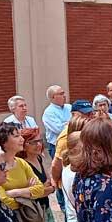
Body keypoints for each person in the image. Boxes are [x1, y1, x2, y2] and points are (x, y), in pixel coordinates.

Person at [42, 85, 71, 214]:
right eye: (61, 93)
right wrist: (68, 123)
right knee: (59, 175)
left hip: (71, 144)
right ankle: (62, 204)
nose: (64, 95)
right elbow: (59, 130)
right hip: (56, 146)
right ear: (53, 97)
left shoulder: (69, 107)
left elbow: (72, 123)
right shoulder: (49, 113)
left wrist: (66, 123)